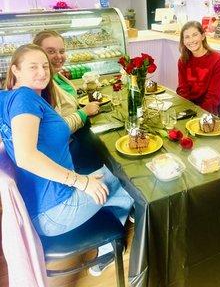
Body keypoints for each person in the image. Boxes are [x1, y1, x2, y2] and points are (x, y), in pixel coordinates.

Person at [0, 44, 133, 274]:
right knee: (129, 183)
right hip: (57, 210)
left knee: (105, 175)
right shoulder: (24, 98)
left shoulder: (8, 98)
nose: (42, 72)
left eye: (45, 66)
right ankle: (108, 250)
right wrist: (81, 182)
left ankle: (113, 222)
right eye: (33, 67)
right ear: (15, 70)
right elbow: (26, 157)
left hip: (40, 207)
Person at [33, 30, 103, 174]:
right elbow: (55, 130)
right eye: (51, 51)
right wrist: (84, 112)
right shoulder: (43, 86)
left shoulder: (57, 75)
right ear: (38, 54)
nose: (58, 56)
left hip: (80, 137)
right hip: (70, 152)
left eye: (62, 51)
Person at [177, 21, 220, 115]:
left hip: (206, 113)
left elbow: (213, 98)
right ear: (183, 41)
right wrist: (186, 111)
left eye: (195, 35)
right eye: (187, 37)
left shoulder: (218, 60)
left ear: (203, 36)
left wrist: (197, 114)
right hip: (187, 110)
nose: (191, 40)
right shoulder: (182, 60)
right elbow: (183, 90)